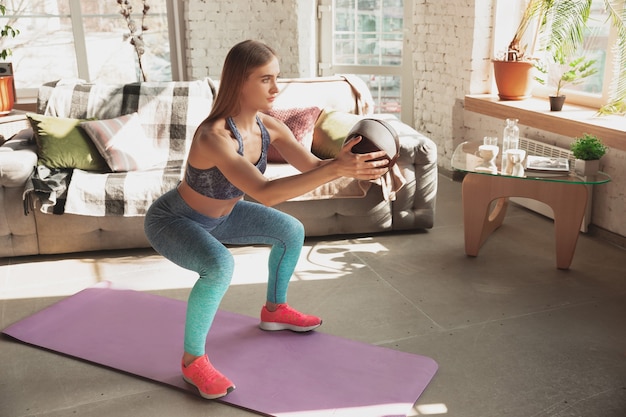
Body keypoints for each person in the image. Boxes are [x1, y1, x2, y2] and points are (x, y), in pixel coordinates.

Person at [144, 39, 389, 400]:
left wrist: (350, 165)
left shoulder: (269, 127)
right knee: (219, 266)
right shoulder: (214, 136)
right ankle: (192, 361)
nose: (276, 88)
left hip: (225, 216)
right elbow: (266, 192)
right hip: (176, 220)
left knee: (290, 230)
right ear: (239, 82)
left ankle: (275, 311)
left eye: (277, 77)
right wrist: (337, 168)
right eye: (265, 79)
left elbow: (313, 167)